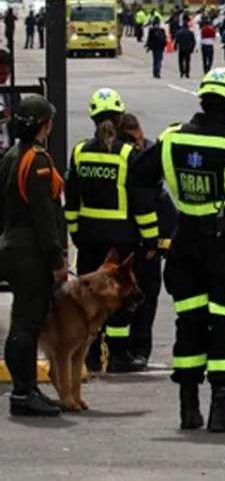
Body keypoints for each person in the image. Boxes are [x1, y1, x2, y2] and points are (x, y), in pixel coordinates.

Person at [131, 68, 225, 432]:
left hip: (185, 239)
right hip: (223, 243)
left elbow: (138, 176)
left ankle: (188, 407)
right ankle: (222, 408)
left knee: (189, 320)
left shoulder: (171, 137)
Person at [63, 89, 159, 373]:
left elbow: (72, 198)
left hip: (89, 238)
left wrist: (76, 232)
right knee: (119, 296)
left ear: (93, 117)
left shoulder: (79, 152)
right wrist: (151, 236)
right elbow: (141, 201)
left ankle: (91, 354)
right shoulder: (128, 153)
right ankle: (119, 356)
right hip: (122, 238)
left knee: (89, 297)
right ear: (119, 118)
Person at [0, 95, 68, 416]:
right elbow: (43, 216)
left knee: (23, 320)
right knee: (27, 324)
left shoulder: (12, 155)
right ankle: (23, 393)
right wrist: (56, 261)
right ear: (44, 125)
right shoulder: (37, 160)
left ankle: (27, 389)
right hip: (31, 251)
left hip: (13, 244)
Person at [118, 112, 176, 366]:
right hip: (131, 238)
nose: (139, 144)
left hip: (153, 240)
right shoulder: (124, 158)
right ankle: (121, 350)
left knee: (148, 295)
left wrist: (159, 241)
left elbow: (160, 199)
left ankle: (140, 350)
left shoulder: (150, 151)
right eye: (134, 140)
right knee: (125, 296)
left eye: (140, 138)